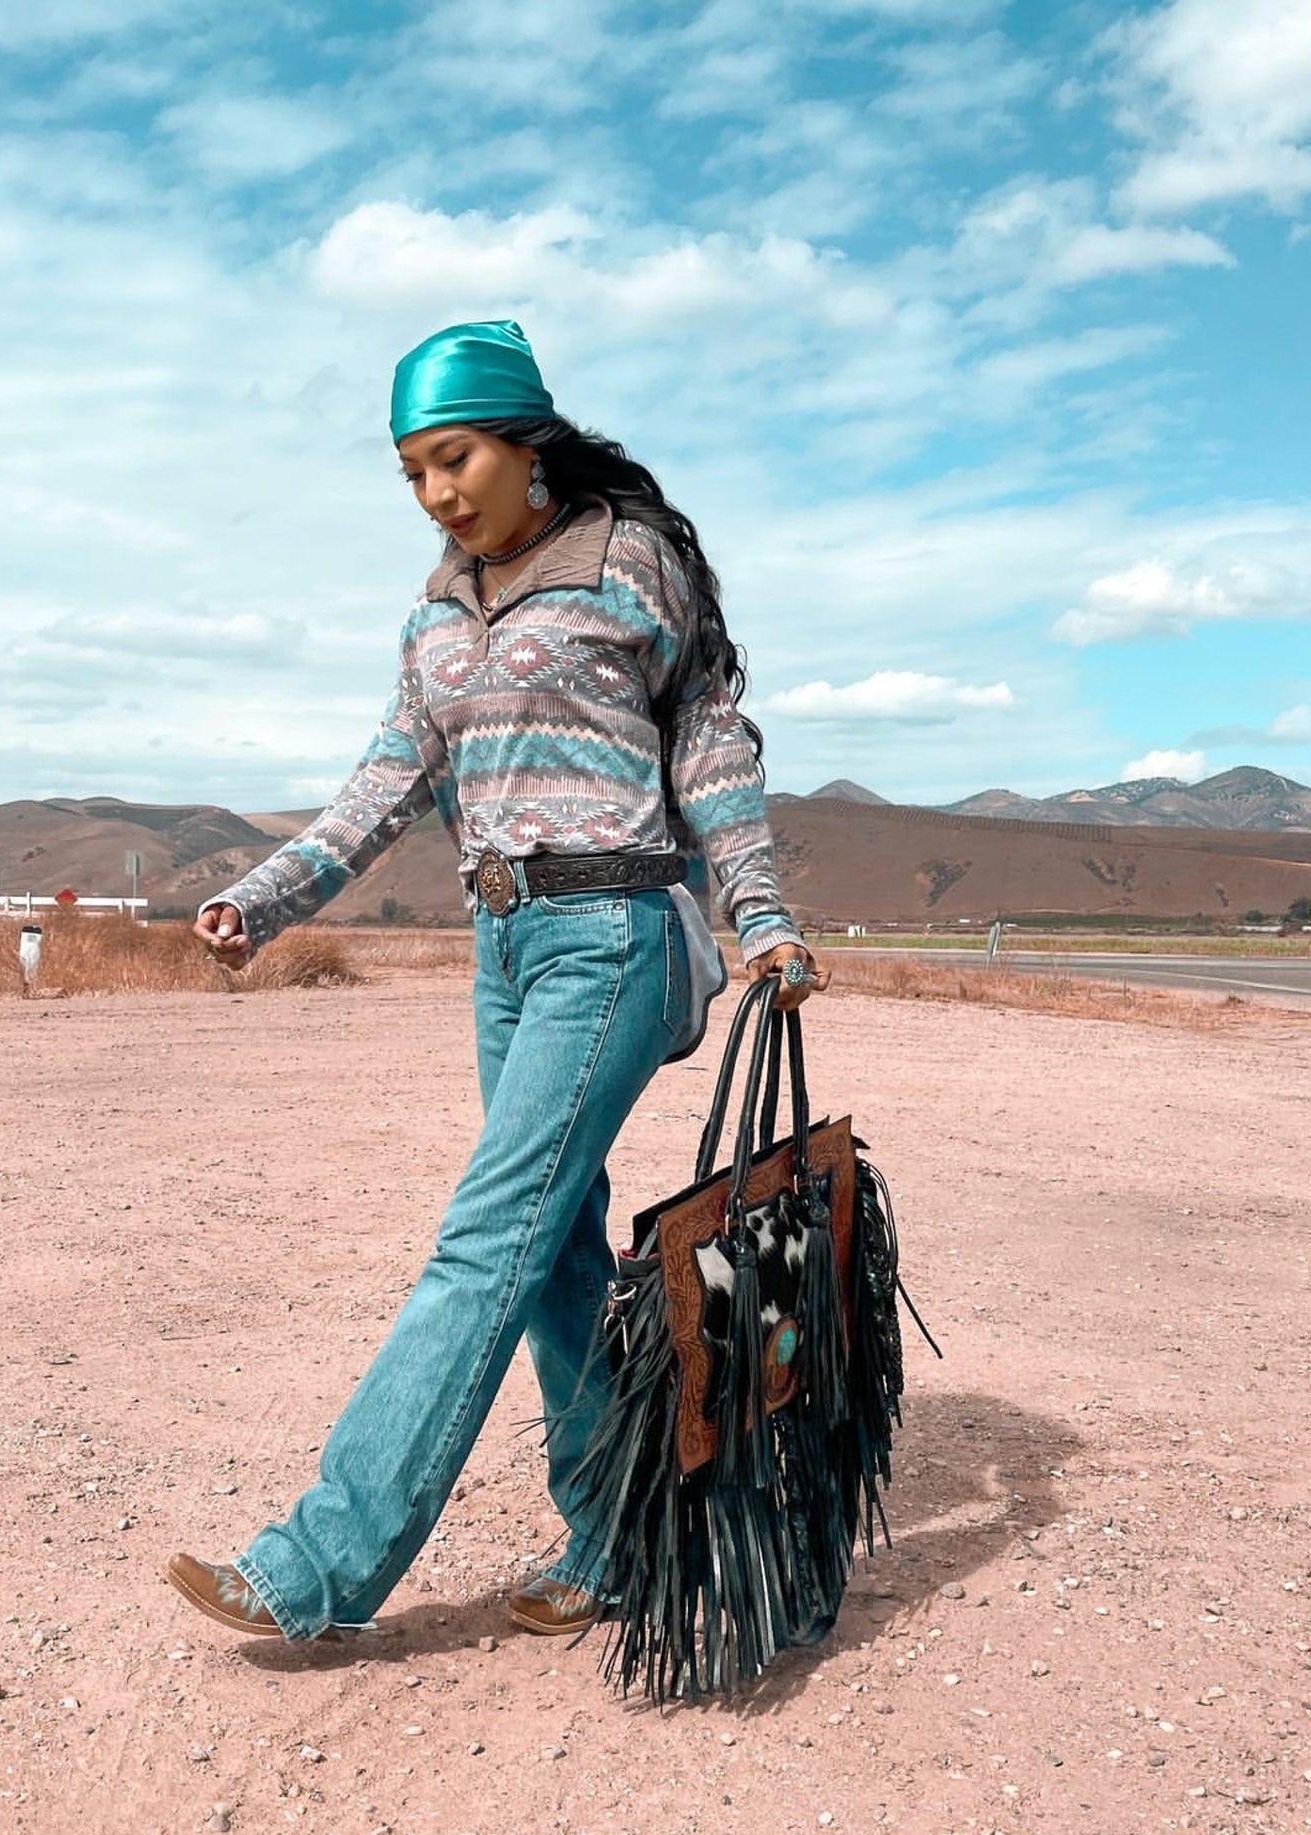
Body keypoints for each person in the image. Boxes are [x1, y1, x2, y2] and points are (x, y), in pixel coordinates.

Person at [166, 319, 830, 1643]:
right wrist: (263, 897)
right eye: (411, 471)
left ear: (529, 445)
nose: (436, 493)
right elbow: (385, 782)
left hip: (616, 935)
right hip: (506, 950)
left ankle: (316, 1566)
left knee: (482, 1243)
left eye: (454, 458)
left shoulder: (628, 559)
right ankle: (615, 1538)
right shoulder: (435, 611)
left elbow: (706, 744)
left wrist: (758, 915)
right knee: (548, 1259)